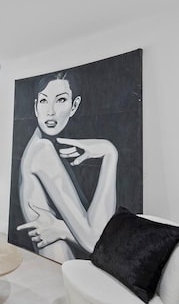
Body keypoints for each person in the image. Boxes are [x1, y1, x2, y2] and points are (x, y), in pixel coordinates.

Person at [16, 70, 118, 261]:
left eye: (61, 100)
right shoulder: (42, 150)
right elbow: (94, 241)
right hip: (59, 274)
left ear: (74, 106)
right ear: (36, 107)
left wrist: (62, 228)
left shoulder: (36, 145)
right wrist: (109, 152)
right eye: (44, 101)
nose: (51, 111)